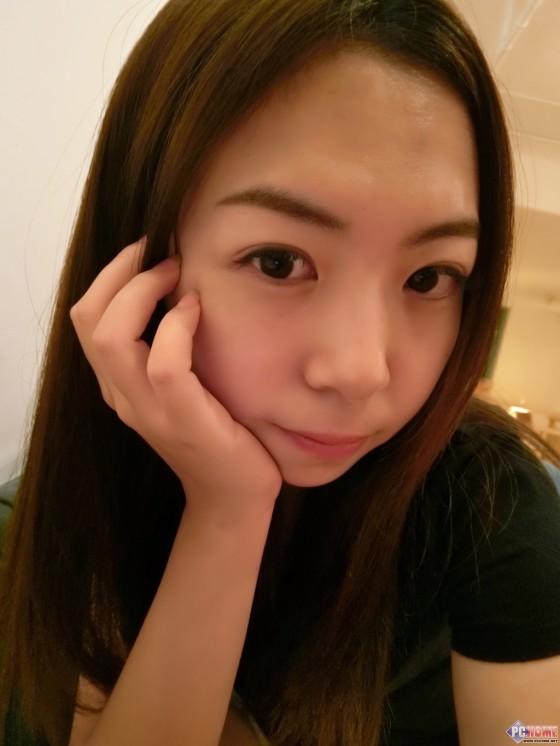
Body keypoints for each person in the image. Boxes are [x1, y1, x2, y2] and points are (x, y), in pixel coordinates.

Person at [1, 0, 560, 744]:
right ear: (138, 265)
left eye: (429, 277)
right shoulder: (84, 494)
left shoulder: (489, 500)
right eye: (277, 261)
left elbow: (532, 733)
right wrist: (227, 513)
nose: (361, 370)